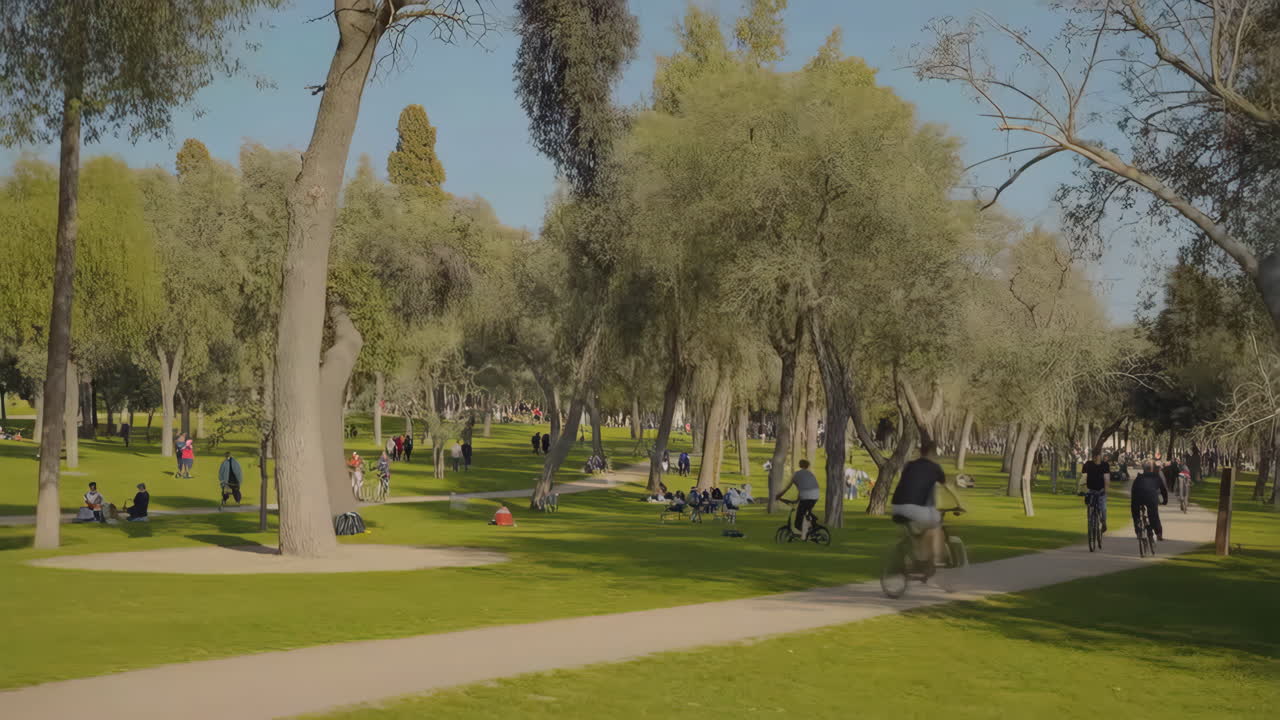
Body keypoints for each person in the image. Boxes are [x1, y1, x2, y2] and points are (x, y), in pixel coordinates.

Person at [890, 441, 964, 568]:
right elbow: (949, 487)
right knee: (936, 524)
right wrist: (960, 504)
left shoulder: (910, 465)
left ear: (921, 452)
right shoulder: (935, 468)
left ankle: (916, 558)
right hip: (914, 509)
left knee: (918, 530)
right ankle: (936, 559)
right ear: (932, 453)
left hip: (897, 507)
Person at [775, 459, 821, 540]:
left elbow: (788, 487)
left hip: (806, 496)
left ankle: (805, 533)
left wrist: (779, 495)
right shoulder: (810, 474)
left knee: (798, 522)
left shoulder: (796, 474)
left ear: (800, 465)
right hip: (815, 495)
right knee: (806, 511)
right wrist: (798, 499)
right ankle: (812, 525)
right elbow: (803, 488)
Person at [1131, 460, 1169, 541]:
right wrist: (1165, 500)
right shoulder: (1156, 477)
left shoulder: (1138, 478)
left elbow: (1133, 491)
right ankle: (1158, 533)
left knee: (1135, 513)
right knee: (1154, 515)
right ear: (1151, 469)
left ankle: (1138, 530)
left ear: (1143, 469)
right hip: (1151, 498)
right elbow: (1163, 490)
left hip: (1138, 498)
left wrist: (1133, 502)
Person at [1081, 450, 1111, 533]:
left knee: (1103, 508)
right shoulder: (1088, 464)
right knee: (1091, 505)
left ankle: (1103, 523)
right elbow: (1084, 477)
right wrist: (1083, 489)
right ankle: (1091, 520)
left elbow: (1106, 479)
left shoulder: (1104, 465)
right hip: (1091, 490)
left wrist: (1105, 490)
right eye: (1095, 456)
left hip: (1100, 490)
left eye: (1097, 455)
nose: (1096, 457)